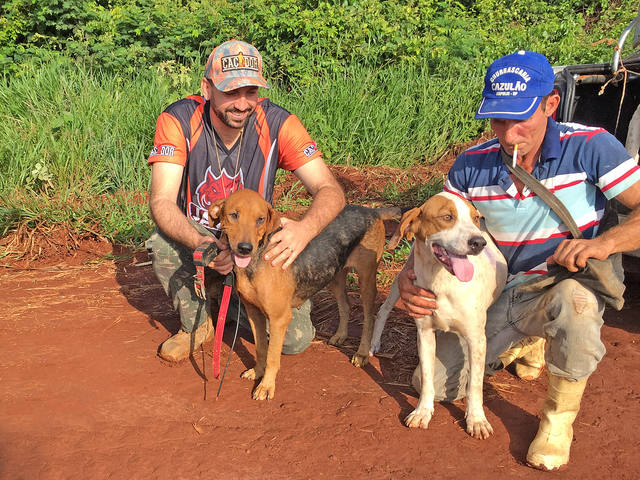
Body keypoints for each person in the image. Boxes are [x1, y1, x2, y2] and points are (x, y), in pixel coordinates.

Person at [396, 50, 640, 471]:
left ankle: (557, 422)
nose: (508, 135)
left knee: (576, 309)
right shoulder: (470, 165)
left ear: (550, 105)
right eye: (498, 120)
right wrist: (407, 280)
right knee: (431, 384)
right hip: (495, 293)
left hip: (560, 285)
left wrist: (605, 243)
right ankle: (527, 342)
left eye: (520, 119)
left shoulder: (591, 147)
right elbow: (433, 231)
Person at [145, 40, 345, 363]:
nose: (241, 103)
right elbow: (162, 202)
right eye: (230, 92)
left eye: (250, 92)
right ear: (207, 88)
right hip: (202, 236)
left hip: (253, 246)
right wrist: (203, 243)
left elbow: (331, 190)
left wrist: (305, 230)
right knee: (161, 239)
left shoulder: (278, 124)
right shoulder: (179, 120)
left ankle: (235, 301)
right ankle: (196, 322)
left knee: (294, 339)